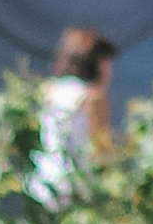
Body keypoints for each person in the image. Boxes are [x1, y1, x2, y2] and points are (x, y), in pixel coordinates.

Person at [32, 27, 117, 206]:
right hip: (76, 188)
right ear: (100, 64)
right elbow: (101, 150)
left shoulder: (48, 90)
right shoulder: (93, 99)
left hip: (43, 183)